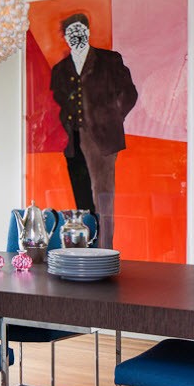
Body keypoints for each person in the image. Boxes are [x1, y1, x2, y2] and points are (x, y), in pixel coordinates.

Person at [49, 13, 137, 250]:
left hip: (102, 139)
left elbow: (129, 93)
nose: (75, 35)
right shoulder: (60, 69)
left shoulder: (109, 60)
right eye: (70, 32)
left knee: (103, 196)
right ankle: (85, 249)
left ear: (87, 31)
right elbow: (57, 101)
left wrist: (111, 119)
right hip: (72, 139)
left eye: (79, 29)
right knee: (82, 200)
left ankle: (105, 249)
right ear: (65, 37)